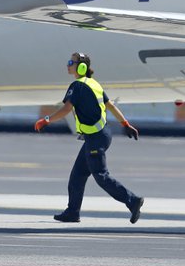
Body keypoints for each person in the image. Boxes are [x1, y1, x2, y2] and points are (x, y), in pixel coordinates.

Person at [34, 52, 144, 224]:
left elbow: (65, 110)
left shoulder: (77, 86)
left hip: (96, 138)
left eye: (71, 62)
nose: (68, 64)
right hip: (101, 134)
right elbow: (111, 106)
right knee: (78, 174)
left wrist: (46, 120)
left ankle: (133, 200)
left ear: (81, 66)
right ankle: (72, 212)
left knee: (101, 175)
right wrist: (125, 124)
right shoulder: (94, 84)